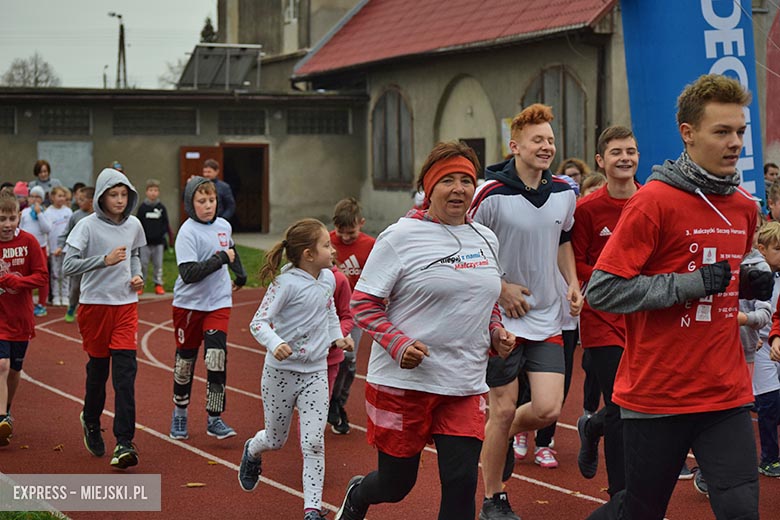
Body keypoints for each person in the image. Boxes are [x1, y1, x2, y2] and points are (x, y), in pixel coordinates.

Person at [585, 74, 767, 520]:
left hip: (724, 392)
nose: (735, 143)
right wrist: (687, 284)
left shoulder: (744, 205)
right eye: (721, 132)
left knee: (741, 509)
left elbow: (735, 268)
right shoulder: (654, 202)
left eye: (740, 132)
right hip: (657, 396)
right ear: (688, 133)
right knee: (639, 512)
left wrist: (751, 279)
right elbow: (602, 290)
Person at [334, 141, 513, 520]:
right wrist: (398, 343)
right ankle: (359, 493)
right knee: (396, 484)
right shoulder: (400, 237)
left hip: (463, 382)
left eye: (466, 180)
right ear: (429, 189)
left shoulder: (486, 239)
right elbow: (362, 303)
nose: (459, 189)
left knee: (462, 480)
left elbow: (488, 298)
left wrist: (496, 332)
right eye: (448, 180)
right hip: (404, 385)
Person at [469, 103, 582, 520]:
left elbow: (564, 240)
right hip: (499, 320)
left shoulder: (564, 191)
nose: (546, 146)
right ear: (515, 146)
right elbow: (465, 248)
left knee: (549, 409)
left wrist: (571, 282)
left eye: (551, 140)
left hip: (549, 315)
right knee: (500, 408)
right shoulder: (489, 194)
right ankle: (493, 498)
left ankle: (505, 434)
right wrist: (499, 288)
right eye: (538, 140)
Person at [238, 218, 353, 520]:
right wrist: (275, 343)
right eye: (326, 245)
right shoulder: (284, 284)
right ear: (308, 254)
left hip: (315, 373)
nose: (333, 249)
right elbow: (258, 322)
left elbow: (328, 311)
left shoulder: (328, 278)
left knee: (313, 442)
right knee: (276, 440)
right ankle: (252, 449)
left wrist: (337, 337)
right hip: (280, 373)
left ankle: (311, 510)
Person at [571, 126, 640, 497]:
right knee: (619, 404)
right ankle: (620, 494)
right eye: (616, 152)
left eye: (631, 151)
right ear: (601, 160)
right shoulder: (587, 209)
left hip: (642, 320)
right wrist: (609, 282)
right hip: (600, 320)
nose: (625, 158)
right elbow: (577, 263)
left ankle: (592, 426)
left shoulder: (651, 202)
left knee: (641, 404)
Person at [63, 167, 146, 469]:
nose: (120, 200)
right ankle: (91, 418)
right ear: (101, 196)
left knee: (125, 376)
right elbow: (68, 265)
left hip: (125, 307)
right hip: (94, 307)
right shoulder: (86, 227)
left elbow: (135, 256)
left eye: (124, 194)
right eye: (114, 194)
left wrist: (137, 276)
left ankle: (124, 441)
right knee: (98, 373)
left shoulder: (135, 224)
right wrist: (104, 261)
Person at [168, 176, 246, 441]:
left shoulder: (223, 225)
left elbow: (231, 249)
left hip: (218, 303)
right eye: (201, 201)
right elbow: (189, 273)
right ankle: (180, 412)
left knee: (216, 358)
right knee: (185, 361)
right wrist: (220, 259)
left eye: (211, 200)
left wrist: (240, 274)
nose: (208, 205)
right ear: (191, 204)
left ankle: (215, 417)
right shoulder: (187, 233)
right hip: (189, 306)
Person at [0, 190, 48, 446]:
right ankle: (0, 419)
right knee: (2, 365)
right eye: (1, 219)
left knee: (14, 370)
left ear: (19, 217)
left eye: (11, 219)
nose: (7, 225)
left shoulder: (28, 242)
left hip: (20, 318)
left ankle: (6, 410)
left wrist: (17, 281)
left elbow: (42, 277)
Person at [328, 197, 376, 435]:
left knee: (349, 360)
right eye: (341, 232)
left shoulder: (370, 245)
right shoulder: (325, 242)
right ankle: (324, 402)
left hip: (354, 313)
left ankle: (337, 402)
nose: (346, 238)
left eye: (351, 232)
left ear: (362, 223)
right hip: (326, 311)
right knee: (328, 358)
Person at [751, 222, 780, 481]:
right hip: (758, 345)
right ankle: (769, 458)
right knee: (770, 403)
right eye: (778, 249)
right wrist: (753, 337)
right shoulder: (753, 275)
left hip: (777, 342)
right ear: (762, 249)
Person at [59, 186, 95, 323]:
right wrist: (60, 245)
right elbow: (66, 233)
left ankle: (89, 310)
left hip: (95, 259)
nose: (78, 202)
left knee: (92, 286)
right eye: (78, 199)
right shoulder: (76, 216)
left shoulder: (100, 216)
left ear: (91, 201)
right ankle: (72, 306)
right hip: (79, 259)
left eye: (82, 199)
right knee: (75, 287)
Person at [136, 179, 173, 296]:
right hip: (145, 243)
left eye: (155, 190)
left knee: (158, 265)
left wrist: (165, 237)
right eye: (151, 190)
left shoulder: (161, 207)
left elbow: (165, 224)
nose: (153, 193)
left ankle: (158, 284)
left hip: (158, 243)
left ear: (158, 192)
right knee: (143, 264)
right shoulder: (142, 208)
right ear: (146, 192)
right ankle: (141, 285)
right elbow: (138, 224)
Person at [19, 186, 51, 317]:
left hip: (40, 248)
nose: (34, 199)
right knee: (26, 276)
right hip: (26, 249)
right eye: (32, 196)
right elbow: (20, 228)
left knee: (42, 277)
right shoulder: (25, 212)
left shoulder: (45, 213)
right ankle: (27, 303)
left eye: (38, 197)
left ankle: (42, 304)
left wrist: (39, 214)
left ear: (42, 199)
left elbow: (47, 229)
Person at [45, 186, 73, 307]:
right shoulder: (48, 212)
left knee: (66, 273)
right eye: (59, 196)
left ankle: (65, 295)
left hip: (67, 248)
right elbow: (46, 230)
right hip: (54, 248)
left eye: (63, 196)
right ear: (52, 197)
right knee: (55, 274)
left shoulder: (68, 212)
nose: (61, 198)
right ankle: (56, 295)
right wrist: (48, 247)